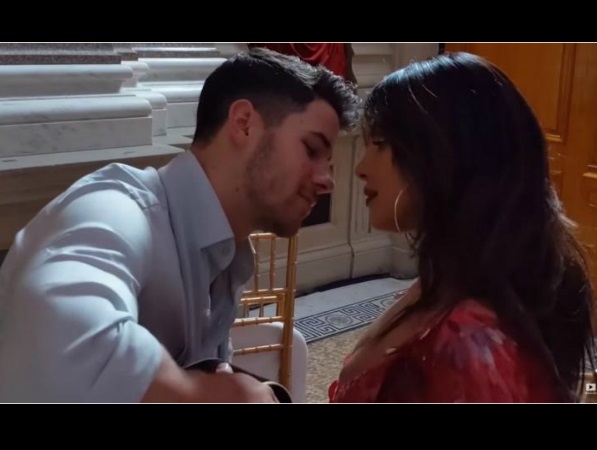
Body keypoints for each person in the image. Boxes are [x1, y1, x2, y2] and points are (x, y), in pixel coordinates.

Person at [0, 47, 360, 403]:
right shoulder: (116, 207)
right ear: (244, 124)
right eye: (311, 150)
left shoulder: (228, 253)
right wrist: (205, 394)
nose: (327, 180)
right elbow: (56, 327)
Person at [329, 51, 597, 403]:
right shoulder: (445, 282)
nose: (361, 168)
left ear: (446, 153)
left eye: (379, 144)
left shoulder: (468, 342)